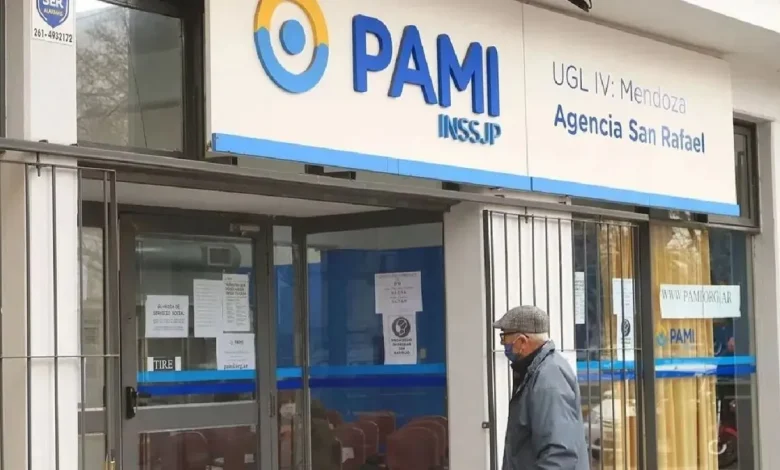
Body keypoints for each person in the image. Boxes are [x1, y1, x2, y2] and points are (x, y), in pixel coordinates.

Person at [494, 305, 589, 470]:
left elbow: (559, 454)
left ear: (522, 341)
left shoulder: (549, 378)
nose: (503, 343)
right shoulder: (537, 372)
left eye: (504, 337)